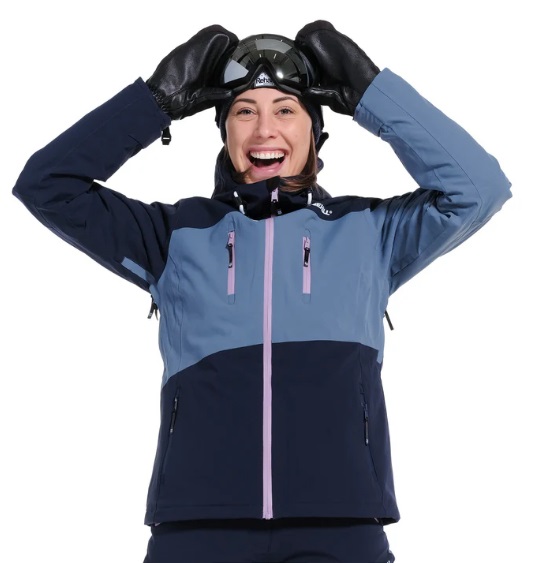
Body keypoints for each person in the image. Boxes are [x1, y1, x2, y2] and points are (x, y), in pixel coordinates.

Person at [12, 20, 511, 563]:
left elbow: (478, 188)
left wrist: (370, 94)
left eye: (286, 111)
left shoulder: (370, 232)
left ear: (316, 131)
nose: (264, 130)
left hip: (341, 523)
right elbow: (47, 185)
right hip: (196, 526)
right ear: (224, 132)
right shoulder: (172, 235)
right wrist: (155, 103)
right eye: (245, 112)